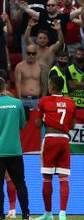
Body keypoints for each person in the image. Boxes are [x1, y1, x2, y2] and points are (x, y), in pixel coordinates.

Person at [0, 76, 30, 220]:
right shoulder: (17, 103)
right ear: (5, 86)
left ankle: (0, 214)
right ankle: (26, 215)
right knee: (20, 183)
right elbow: (22, 124)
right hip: (15, 150)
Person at [36, 76, 76, 220]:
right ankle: (63, 213)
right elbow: (72, 125)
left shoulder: (44, 101)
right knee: (64, 178)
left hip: (51, 139)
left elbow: (38, 124)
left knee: (47, 178)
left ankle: (48, 214)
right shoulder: (71, 103)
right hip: (64, 140)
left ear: (51, 87)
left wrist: (42, 117)